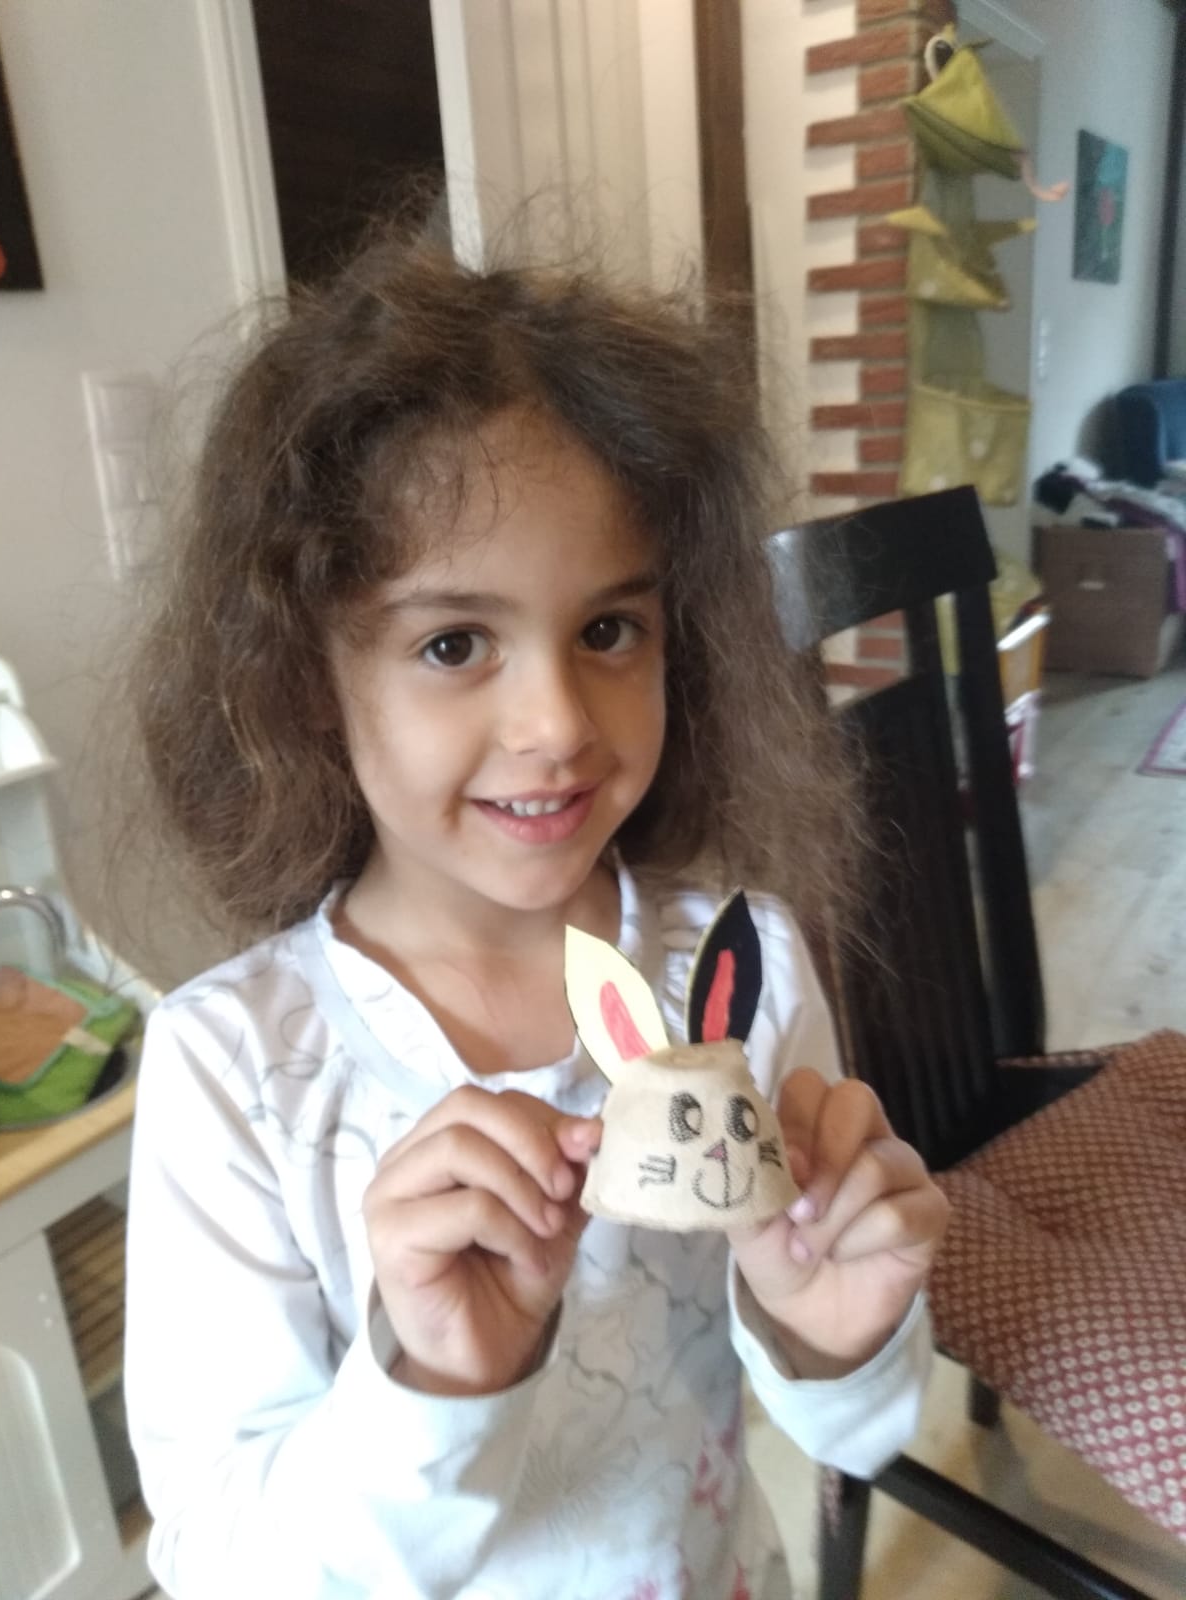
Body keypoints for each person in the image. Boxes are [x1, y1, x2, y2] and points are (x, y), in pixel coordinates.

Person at [124, 223, 949, 1600]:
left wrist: (831, 1326)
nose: (558, 723)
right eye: (454, 644)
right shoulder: (238, 1071)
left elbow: (852, 1432)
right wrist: (433, 1381)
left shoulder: (738, 970)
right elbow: (222, 1565)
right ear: (306, 679)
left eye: (609, 630)